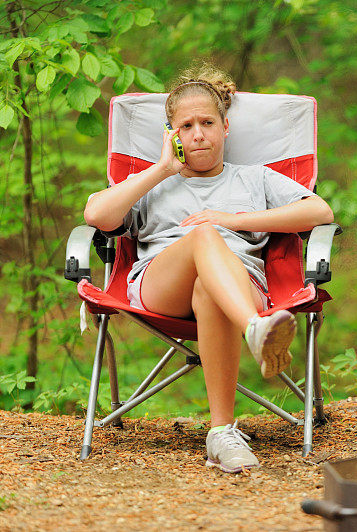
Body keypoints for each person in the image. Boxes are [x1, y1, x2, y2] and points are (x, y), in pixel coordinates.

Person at [83, 64, 334, 473]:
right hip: (161, 287)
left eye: (207, 122)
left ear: (225, 127)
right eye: (185, 125)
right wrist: (163, 169)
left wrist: (231, 220)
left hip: (238, 286)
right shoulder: (153, 183)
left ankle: (221, 434)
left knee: (210, 286)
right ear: (172, 134)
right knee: (201, 237)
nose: (198, 133)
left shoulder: (254, 178)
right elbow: (97, 214)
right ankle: (256, 330)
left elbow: (319, 211)